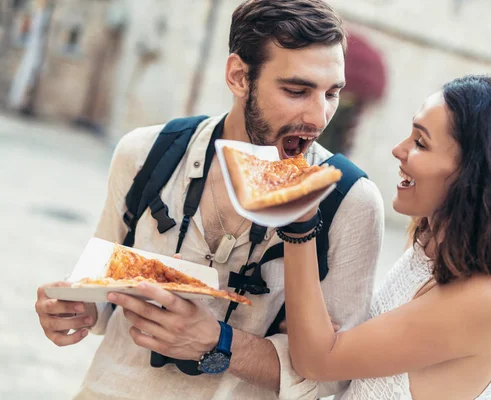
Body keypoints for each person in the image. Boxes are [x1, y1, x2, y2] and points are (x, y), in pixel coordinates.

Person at [34, 1, 384, 399]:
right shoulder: (146, 151)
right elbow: (98, 295)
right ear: (238, 76)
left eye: (332, 93)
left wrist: (219, 343)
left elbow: (334, 379)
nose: (319, 117)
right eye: (296, 90)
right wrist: (72, 309)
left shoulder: (351, 201)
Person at [279, 75, 491, 399]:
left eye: (421, 143)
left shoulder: (488, 299)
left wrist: (299, 221)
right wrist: (315, 331)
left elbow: (316, 361)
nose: (398, 149)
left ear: (475, 173)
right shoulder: (431, 249)